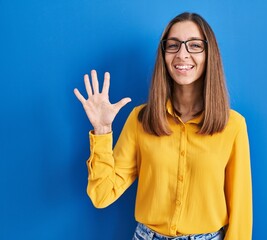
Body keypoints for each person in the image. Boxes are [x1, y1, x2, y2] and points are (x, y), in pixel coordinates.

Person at [74, 12, 252, 240]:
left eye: (195, 45)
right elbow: (101, 194)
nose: (182, 54)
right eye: (173, 45)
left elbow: (241, 215)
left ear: (210, 55)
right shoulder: (141, 119)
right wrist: (102, 131)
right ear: (164, 54)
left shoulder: (233, 126)